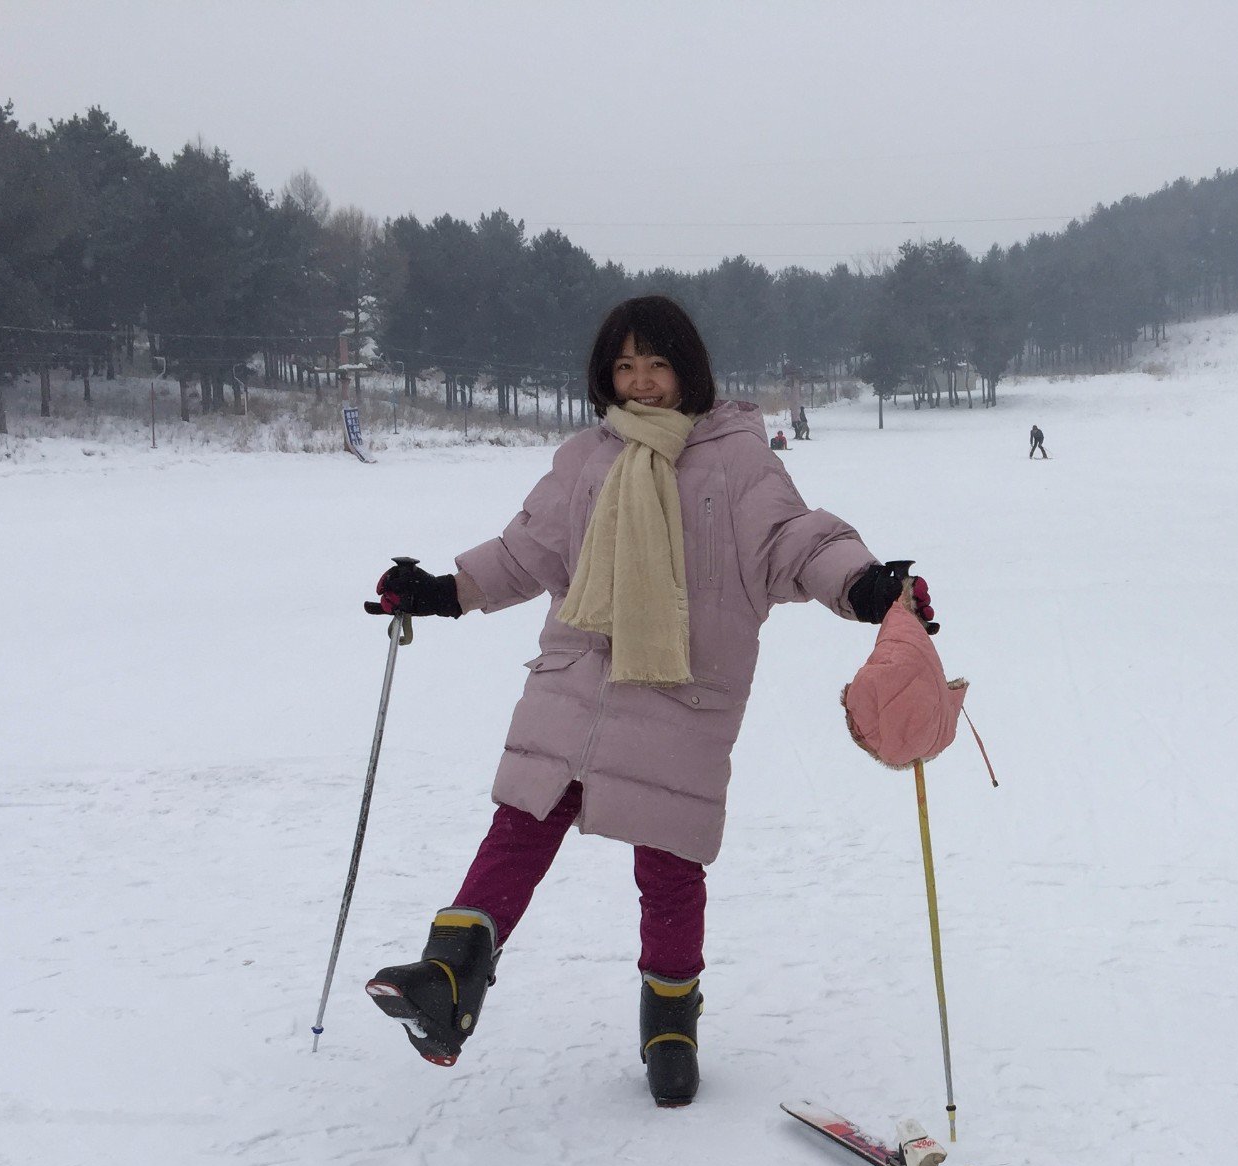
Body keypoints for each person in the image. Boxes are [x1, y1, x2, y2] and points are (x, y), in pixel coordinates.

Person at [362, 295, 935, 1107]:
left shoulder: (736, 461)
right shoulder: (584, 459)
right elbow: (528, 551)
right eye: (625, 366)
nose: (641, 382)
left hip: (680, 691)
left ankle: (670, 1021)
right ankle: (448, 986)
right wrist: (442, 590)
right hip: (578, 681)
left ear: (687, 369)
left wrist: (867, 583)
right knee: (521, 822)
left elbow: (794, 541)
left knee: (668, 866)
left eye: (657, 364)